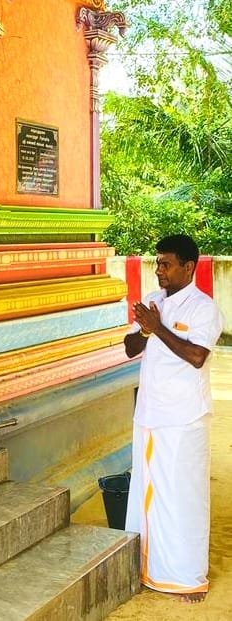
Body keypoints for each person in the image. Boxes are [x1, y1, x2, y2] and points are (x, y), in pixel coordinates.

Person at [124, 234, 224, 603]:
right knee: (147, 494)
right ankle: (147, 569)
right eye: (157, 263)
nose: (159, 270)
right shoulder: (153, 301)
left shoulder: (204, 309)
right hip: (150, 413)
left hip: (184, 418)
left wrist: (159, 327)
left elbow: (197, 356)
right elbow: (130, 348)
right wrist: (146, 329)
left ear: (188, 267)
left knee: (183, 497)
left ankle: (186, 577)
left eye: (166, 264)